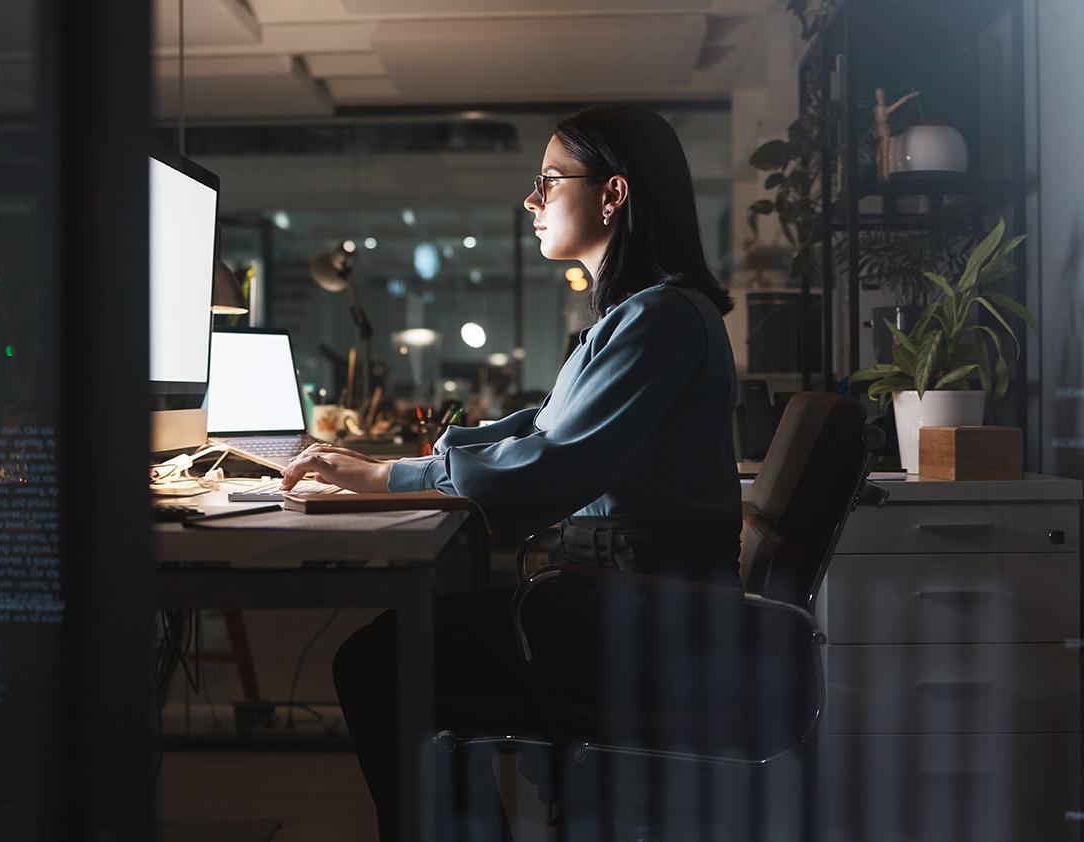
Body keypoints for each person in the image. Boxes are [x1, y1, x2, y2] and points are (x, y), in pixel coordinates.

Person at [281, 104, 742, 841]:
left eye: (548, 180)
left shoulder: (659, 319)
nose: (530, 200)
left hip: (642, 618)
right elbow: (535, 428)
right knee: (397, 647)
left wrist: (384, 480)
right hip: (634, 600)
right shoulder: (640, 315)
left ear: (613, 194)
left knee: (379, 660)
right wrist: (399, 467)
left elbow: (549, 468)